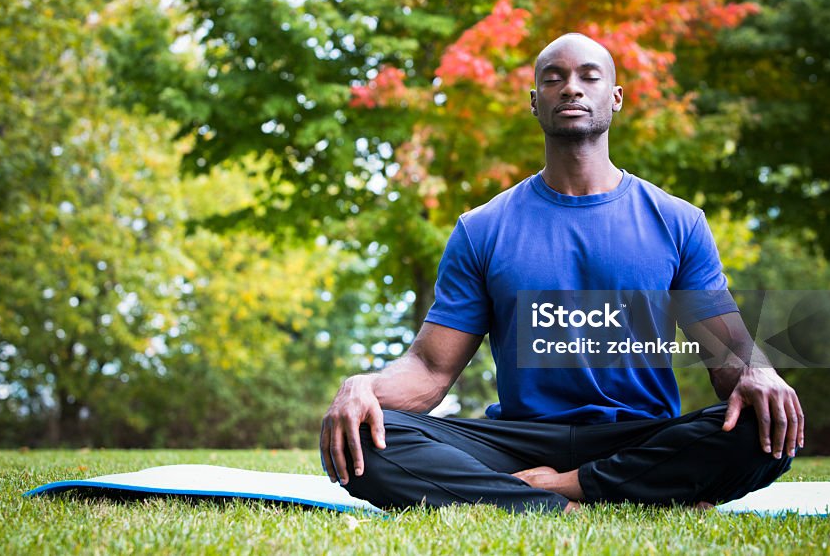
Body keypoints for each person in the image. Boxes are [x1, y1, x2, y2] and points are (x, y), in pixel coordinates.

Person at [319, 33, 803, 513]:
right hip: (519, 440)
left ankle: (561, 489)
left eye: (589, 77)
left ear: (615, 98)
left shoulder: (678, 222)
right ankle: (600, 496)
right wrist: (365, 386)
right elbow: (429, 370)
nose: (571, 88)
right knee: (363, 436)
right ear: (535, 102)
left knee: (763, 423)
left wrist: (759, 373)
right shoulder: (482, 228)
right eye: (554, 79)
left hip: (638, 435)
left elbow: (728, 361)